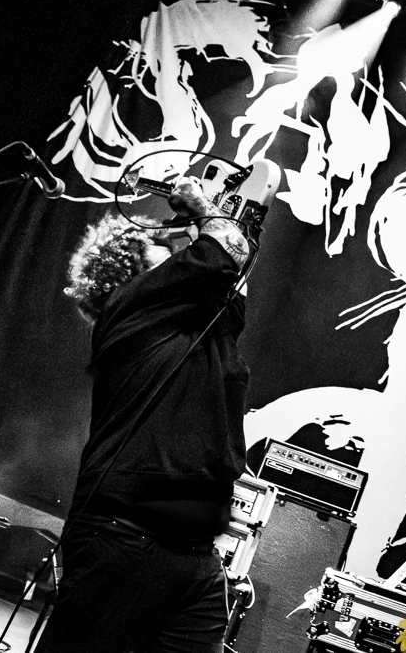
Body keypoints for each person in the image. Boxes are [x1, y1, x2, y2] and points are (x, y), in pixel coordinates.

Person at [35, 177, 258, 653]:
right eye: (167, 249)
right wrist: (201, 207)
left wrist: (230, 209)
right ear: (135, 273)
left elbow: (236, 261)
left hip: (196, 552)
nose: (182, 251)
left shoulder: (203, 329)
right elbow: (225, 251)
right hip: (126, 538)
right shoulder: (130, 309)